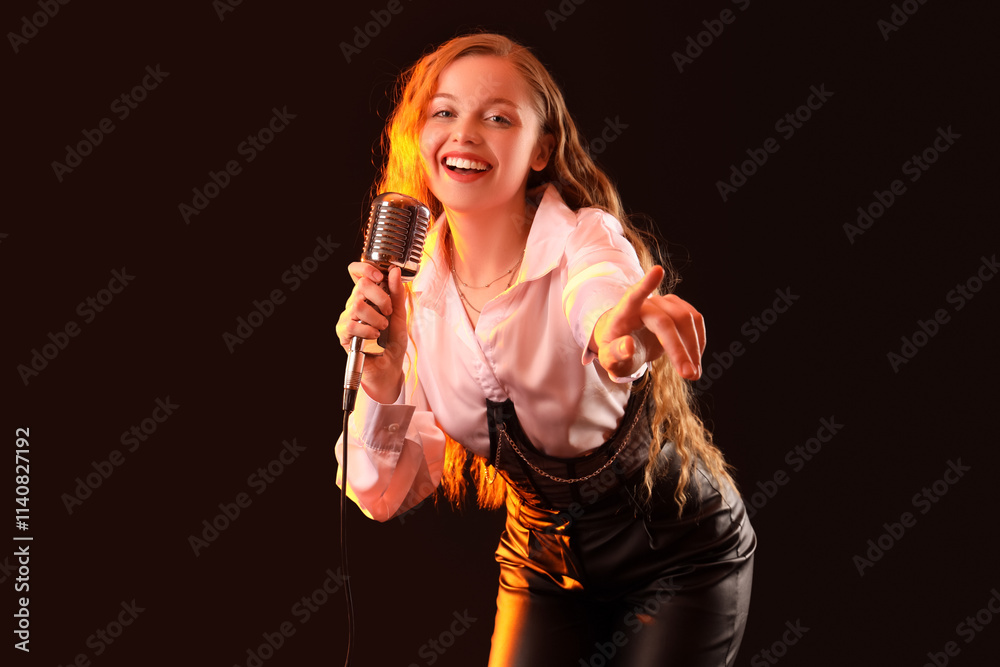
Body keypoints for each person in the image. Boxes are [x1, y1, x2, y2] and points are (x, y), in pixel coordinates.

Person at [336, 32, 755, 667]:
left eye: (497, 117)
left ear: (542, 149)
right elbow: (379, 494)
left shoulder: (584, 241)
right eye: (443, 112)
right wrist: (385, 380)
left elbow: (602, 296)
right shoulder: (414, 299)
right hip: (540, 564)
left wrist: (620, 336)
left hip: (681, 556)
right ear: (420, 141)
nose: (465, 133)